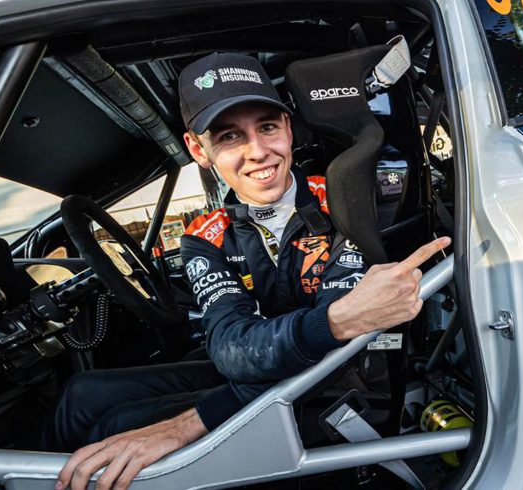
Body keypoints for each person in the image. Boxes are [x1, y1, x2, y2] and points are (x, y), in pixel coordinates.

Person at [51, 52, 450, 490]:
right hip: (260, 374)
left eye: (267, 127)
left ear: (288, 129)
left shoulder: (344, 203)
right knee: (80, 395)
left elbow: (339, 353)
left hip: (332, 388)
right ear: (198, 150)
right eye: (229, 136)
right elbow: (232, 349)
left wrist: (190, 423)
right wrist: (334, 320)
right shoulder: (205, 235)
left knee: (114, 429)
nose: (258, 152)